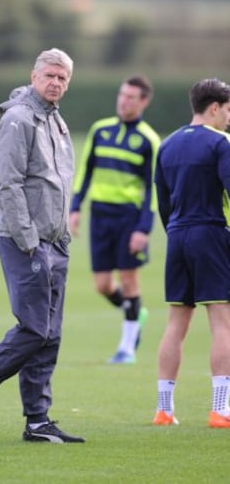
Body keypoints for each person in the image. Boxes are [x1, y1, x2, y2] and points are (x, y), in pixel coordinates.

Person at [0, 48, 85, 444]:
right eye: (50, 76)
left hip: (56, 242)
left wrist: (61, 236)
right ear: (34, 75)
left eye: (63, 78)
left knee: (50, 334)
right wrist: (29, 242)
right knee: (34, 330)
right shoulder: (19, 119)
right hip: (26, 242)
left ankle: (38, 421)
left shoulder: (55, 120)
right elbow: (10, 186)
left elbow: (56, 182)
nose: (56, 82)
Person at [153, 78, 230, 428]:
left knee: (176, 323)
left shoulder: (167, 145)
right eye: (228, 110)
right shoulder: (221, 143)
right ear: (214, 107)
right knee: (222, 321)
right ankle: (220, 410)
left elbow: (163, 204)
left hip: (177, 236)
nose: (229, 118)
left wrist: (176, 231)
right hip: (211, 233)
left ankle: (164, 410)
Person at [69, 75, 160, 364]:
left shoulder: (149, 140)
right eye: (122, 95)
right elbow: (85, 171)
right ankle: (135, 312)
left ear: (143, 101)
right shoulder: (100, 130)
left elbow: (152, 188)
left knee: (130, 279)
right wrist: (75, 207)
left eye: (131, 97)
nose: (124, 101)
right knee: (103, 285)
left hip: (129, 218)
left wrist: (143, 228)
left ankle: (126, 348)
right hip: (100, 215)